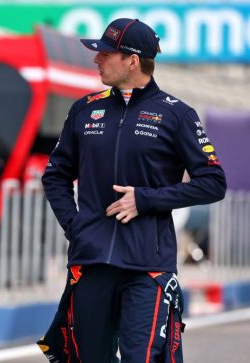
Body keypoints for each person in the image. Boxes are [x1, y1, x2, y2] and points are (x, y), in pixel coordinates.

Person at [37, 18, 226, 362]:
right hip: (91, 263)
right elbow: (55, 176)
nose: (96, 60)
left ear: (132, 60)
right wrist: (75, 226)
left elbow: (213, 182)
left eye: (105, 54)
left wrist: (146, 199)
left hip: (147, 267)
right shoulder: (84, 109)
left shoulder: (177, 115)